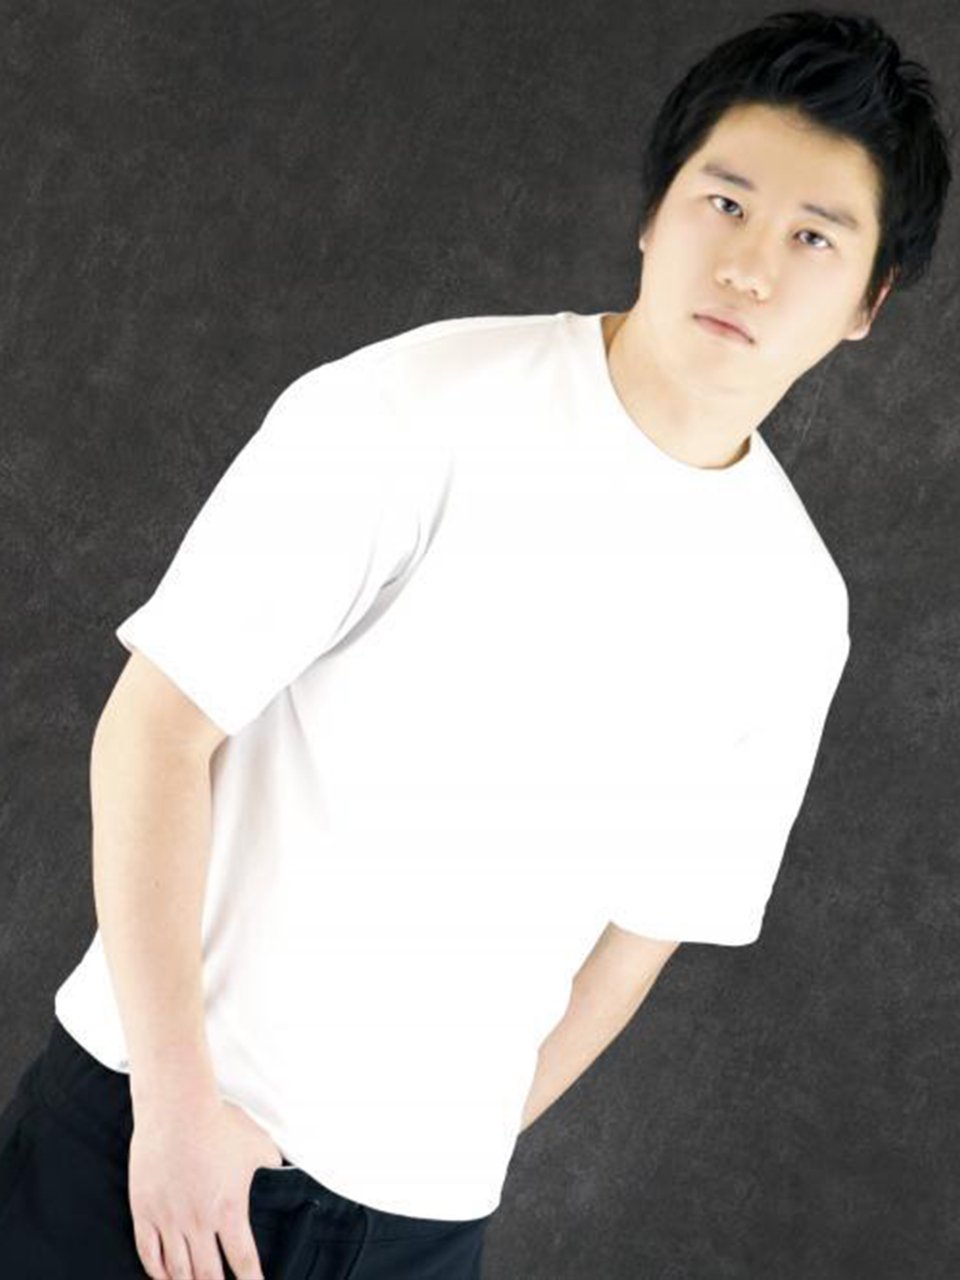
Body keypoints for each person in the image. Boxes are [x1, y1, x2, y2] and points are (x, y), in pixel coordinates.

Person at [0, 8, 952, 1279]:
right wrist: (174, 1113)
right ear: (654, 212)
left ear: (869, 302)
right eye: (724, 204)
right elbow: (156, 727)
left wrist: (448, 1152)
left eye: (813, 238)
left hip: (416, 1221)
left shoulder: (792, 605)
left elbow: (647, 928)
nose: (749, 267)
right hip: (144, 1137)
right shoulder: (418, 408)